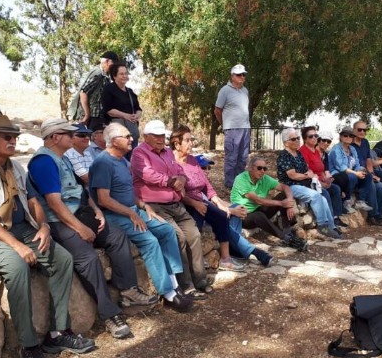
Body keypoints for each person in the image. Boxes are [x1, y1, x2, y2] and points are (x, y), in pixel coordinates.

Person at [0, 115, 94, 358]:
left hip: (22, 228)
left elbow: (33, 202)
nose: (13, 141)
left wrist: (43, 227)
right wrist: (17, 246)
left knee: (61, 259)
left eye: (15, 137)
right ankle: (29, 346)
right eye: (7, 137)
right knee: (17, 266)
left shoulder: (15, 167)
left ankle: (57, 332)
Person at [27, 118, 155, 339]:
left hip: (81, 213)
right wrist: (80, 228)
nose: (74, 137)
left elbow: (81, 189)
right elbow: (55, 204)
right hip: (59, 222)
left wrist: (96, 210)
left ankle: (128, 291)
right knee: (88, 258)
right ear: (55, 137)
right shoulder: (43, 162)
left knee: (116, 236)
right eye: (69, 134)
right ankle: (110, 315)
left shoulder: (61, 158)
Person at [89, 123, 193, 313]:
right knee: (150, 241)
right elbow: (103, 199)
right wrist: (131, 213)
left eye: (130, 136)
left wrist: (144, 207)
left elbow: (128, 192)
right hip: (114, 215)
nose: (131, 139)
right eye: (127, 136)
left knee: (167, 230)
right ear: (113, 141)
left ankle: (174, 281)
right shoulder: (102, 163)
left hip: (133, 209)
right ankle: (168, 293)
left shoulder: (122, 160)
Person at [170, 125, 275, 268]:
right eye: (187, 140)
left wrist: (219, 203)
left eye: (191, 140)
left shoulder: (193, 161)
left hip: (202, 202)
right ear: (177, 144)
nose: (191, 143)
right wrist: (195, 204)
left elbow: (207, 186)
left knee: (223, 215)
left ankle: (227, 258)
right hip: (186, 205)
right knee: (199, 223)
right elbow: (178, 193)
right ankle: (253, 252)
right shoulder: (171, 163)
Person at [131, 120, 210, 296]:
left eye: (162, 135)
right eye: (156, 135)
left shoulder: (167, 152)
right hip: (154, 206)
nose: (160, 139)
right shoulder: (139, 153)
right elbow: (147, 175)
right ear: (146, 137)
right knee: (178, 237)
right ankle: (185, 284)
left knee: (194, 235)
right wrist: (170, 181)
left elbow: (179, 171)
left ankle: (201, 280)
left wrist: (181, 179)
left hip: (175, 203)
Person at [276, 127, 343, 240]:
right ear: (286, 143)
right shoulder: (284, 155)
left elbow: (308, 169)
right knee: (316, 196)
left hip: (303, 184)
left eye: (298, 138)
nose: (297, 140)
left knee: (324, 199)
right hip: (290, 186)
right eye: (293, 139)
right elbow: (292, 175)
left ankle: (331, 227)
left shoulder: (298, 153)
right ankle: (322, 226)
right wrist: (307, 175)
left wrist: (308, 174)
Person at [230, 155, 306, 251]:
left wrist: (289, 203)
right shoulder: (241, 179)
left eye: (264, 168)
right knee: (259, 215)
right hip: (244, 215)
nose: (262, 171)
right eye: (259, 168)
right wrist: (281, 203)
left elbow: (285, 187)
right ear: (250, 168)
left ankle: (288, 230)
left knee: (284, 195)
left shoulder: (264, 178)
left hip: (259, 209)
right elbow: (257, 200)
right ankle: (286, 238)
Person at [299, 126, 347, 227]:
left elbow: (321, 170)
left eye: (315, 135)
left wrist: (327, 179)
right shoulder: (303, 151)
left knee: (336, 188)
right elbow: (308, 173)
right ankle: (329, 225)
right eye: (310, 136)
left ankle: (335, 217)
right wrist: (321, 183)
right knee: (325, 193)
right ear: (305, 139)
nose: (314, 138)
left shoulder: (316, 152)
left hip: (319, 181)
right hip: (310, 182)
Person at [214, 63, 251, 188]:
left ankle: (239, 182)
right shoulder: (225, 90)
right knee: (232, 158)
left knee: (243, 157)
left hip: (246, 128)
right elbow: (217, 110)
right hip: (232, 129)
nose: (242, 77)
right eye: (239, 74)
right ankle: (230, 184)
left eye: (243, 74)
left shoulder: (245, 90)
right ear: (232, 76)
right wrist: (225, 125)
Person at [327, 126, 368, 215]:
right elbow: (341, 167)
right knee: (352, 176)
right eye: (345, 135)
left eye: (351, 136)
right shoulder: (336, 149)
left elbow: (357, 164)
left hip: (350, 174)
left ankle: (360, 200)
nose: (348, 138)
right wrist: (356, 173)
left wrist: (360, 171)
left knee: (367, 175)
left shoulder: (352, 149)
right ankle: (346, 202)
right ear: (341, 137)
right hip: (337, 175)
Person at [101, 62, 141, 153]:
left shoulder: (130, 91)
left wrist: (136, 115)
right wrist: (125, 115)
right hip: (117, 132)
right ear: (114, 76)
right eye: (121, 74)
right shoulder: (108, 89)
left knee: (132, 158)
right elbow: (108, 110)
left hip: (132, 132)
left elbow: (138, 108)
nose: (124, 76)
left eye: (126, 73)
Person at [72, 51, 119, 126]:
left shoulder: (105, 76)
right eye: (113, 64)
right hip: (92, 118)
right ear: (107, 61)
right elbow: (83, 92)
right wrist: (87, 115)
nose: (114, 67)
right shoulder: (97, 73)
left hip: (100, 116)